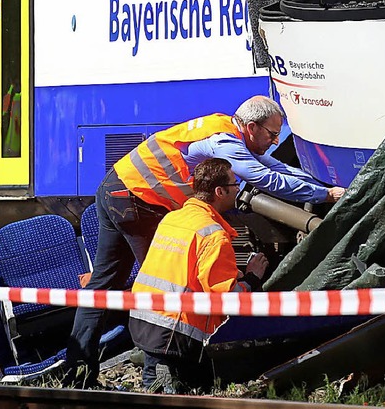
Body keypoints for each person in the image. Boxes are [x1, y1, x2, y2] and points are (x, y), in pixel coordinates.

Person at [63, 95, 345, 386]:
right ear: (251, 127)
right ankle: (159, 371)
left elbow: (276, 167)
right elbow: (264, 177)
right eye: (273, 134)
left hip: (116, 188)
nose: (275, 141)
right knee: (163, 287)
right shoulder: (226, 143)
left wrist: (325, 187)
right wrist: (323, 196)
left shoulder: (223, 129)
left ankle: (78, 372)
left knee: (102, 287)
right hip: (137, 201)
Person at [129, 158, 269, 393]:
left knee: (152, 392)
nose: (238, 190)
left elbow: (183, 269)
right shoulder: (214, 235)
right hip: (175, 333)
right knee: (178, 394)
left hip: (145, 319)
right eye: (235, 185)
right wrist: (252, 278)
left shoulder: (173, 219)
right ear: (219, 191)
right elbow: (226, 298)